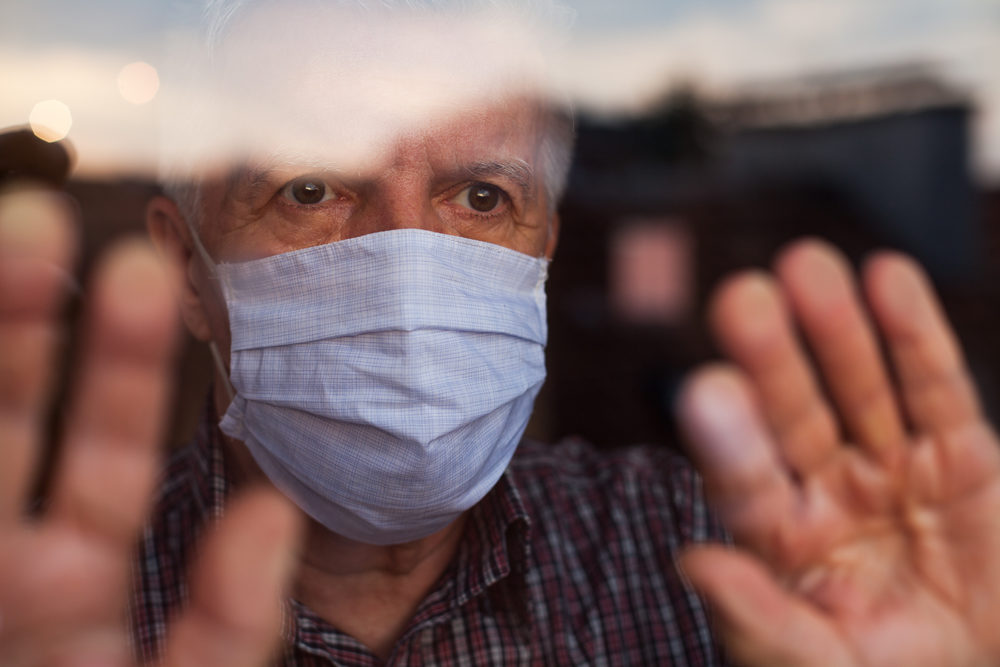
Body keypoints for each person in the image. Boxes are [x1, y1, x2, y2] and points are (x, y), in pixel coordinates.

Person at [3, 1, 1000, 665]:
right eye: (309, 189)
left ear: (543, 253)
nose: (403, 264)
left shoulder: (731, 560)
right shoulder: (47, 603)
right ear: (189, 268)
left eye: (480, 196)